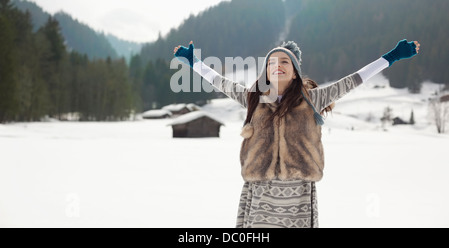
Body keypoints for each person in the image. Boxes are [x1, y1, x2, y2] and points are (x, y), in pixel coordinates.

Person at [173, 39, 420, 228]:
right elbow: (220, 82)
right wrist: (194, 62)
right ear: (265, 72)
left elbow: (354, 80)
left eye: (284, 62)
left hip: (299, 194)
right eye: (271, 62)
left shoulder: (314, 99)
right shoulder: (253, 98)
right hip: (260, 191)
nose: (277, 66)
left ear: (295, 72)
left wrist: (392, 56)